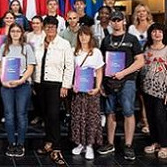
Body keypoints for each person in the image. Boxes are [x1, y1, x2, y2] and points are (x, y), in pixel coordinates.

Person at [98, 10, 144, 161]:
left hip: (127, 81)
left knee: (128, 111)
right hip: (109, 81)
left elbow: (140, 61)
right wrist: (102, 83)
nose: (116, 22)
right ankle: (110, 143)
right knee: (110, 112)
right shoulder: (106, 40)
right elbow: (102, 63)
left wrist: (124, 73)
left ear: (124, 21)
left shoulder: (132, 39)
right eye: (114, 20)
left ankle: (129, 145)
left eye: (119, 20)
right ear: (110, 22)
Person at [33, 16, 74, 165]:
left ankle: (57, 148)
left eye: (53, 27)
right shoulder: (38, 43)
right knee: (45, 115)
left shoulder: (64, 44)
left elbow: (69, 66)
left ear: (57, 28)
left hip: (55, 84)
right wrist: (33, 83)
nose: (50, 29)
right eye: (48, 27)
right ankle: (48, 142)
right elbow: (34, 63)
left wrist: (65, 85)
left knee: (54, 115)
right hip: (39, 83)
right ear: (44, 28)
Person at [0, 23, 35, 157]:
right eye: (12, 31)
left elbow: (31, 67)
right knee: (8, 115)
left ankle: (20, 144)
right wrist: (3, 81)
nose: (15, 33)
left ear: (22, 33)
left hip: (23, 84)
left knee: (21, 114)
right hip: (7, 84)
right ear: (9, 33)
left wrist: (21, 80)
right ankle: (11, 143)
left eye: (17, 31)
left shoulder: (26, 48)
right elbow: (1, 67)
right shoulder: (4, 48)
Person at [71, 26, 104, 160]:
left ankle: (89, 145)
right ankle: (80, 144)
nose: (83, 38)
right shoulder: (74, 52)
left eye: (86, 35)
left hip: (91, 89)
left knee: (91, 117)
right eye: (81, 35)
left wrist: (97, 87)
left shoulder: (95, 52)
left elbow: (99, 71)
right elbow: (71, 71)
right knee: (78, 117)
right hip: (78, 90)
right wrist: (73, 85)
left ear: (90, 37)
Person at [142, 23, 167, 159]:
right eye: (154, 31)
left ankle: (164, 145)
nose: (157, 34)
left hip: (162, 91)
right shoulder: (146, 48)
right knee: (151, 117)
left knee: (160, 117)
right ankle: (155, 142)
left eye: (160, 31)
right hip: (147, 89)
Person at [128, 4, 153, 134]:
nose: (142, 14)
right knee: (139, 94)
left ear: (147, 13)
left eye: (144, 11)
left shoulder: (153, 26)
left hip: (150, 64)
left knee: (147, 94)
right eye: (139, 12)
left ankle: (147, 122)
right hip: (136, 64)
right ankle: (143, 119)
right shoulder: (132, 28)